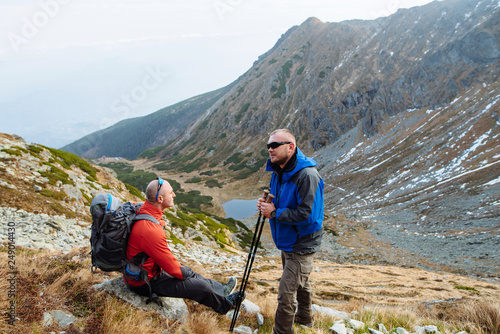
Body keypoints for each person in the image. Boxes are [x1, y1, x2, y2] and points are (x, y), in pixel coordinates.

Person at [124, 177, 244, 314]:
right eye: (171, 193)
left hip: (150, 269)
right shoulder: (149, 229)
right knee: (198, 286)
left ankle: (221, 289)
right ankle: (226, 305)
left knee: (188, 271)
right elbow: (175, 270)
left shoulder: (145, 208)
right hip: (143, 281)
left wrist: (187, 272)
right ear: (161, 199)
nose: (174, 195)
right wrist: (186, 273)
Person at [257, 129, 324, 334]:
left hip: (302, 242)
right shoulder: (279, 171)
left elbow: (308, 215)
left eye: (275, 145)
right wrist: (267, 203)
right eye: (268, 146)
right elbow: (281, 200)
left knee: (286, 293)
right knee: (300, 283)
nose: (270, 149)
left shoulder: (307, 175)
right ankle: (305, 318)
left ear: (291, 147)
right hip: (289, 239)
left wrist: (275, 213)